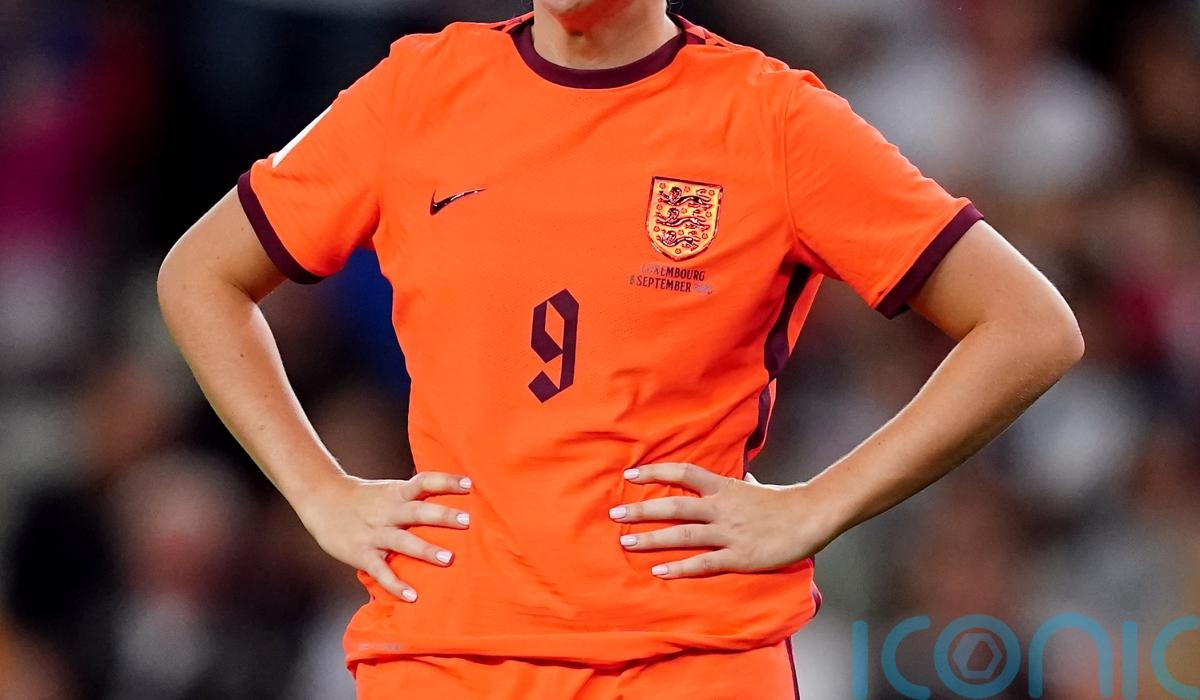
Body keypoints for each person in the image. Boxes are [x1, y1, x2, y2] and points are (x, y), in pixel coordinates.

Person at [157, 1, 1084, 697]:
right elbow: (200, 275)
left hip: (688, 658)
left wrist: (819, 504)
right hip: (443, 655)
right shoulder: (417, 92)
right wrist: (319, 493)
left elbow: (1029, 325)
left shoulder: (771, 117)